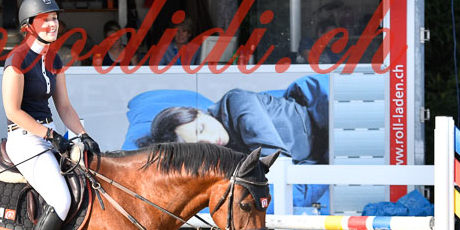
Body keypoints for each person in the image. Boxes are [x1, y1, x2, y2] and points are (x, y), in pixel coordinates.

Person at [2, 0, 101, 230]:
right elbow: (12, 110)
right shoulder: (17, 59)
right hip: (25, 139)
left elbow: (65, 106)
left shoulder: (53, 59)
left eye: (55, 18)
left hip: (49, 135)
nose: (53, 24)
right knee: (61, 198)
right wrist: (48, 135)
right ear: (29, 25)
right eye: (45, 19)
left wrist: (83, 135)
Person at [136, 79, 329, 207]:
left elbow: (275, 163)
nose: (212, 140)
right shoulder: (218, 157)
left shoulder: (237, 102)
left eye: (201, 128)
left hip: (324, 125)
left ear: (199, 112)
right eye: (202, 145)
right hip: (315, 157)